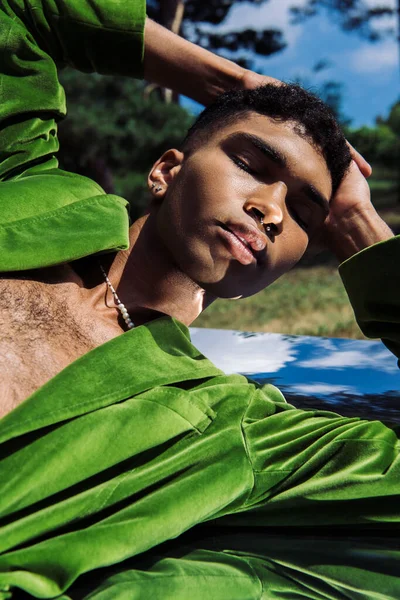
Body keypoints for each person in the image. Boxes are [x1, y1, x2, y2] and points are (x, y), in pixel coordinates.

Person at [0, 0, 399, 598]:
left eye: (306, 214)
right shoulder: (24, 186)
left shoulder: (232, 430)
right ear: (165, 170)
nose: (271, 210)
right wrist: (228, 82)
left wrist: (362, 227)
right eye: (250, 164)